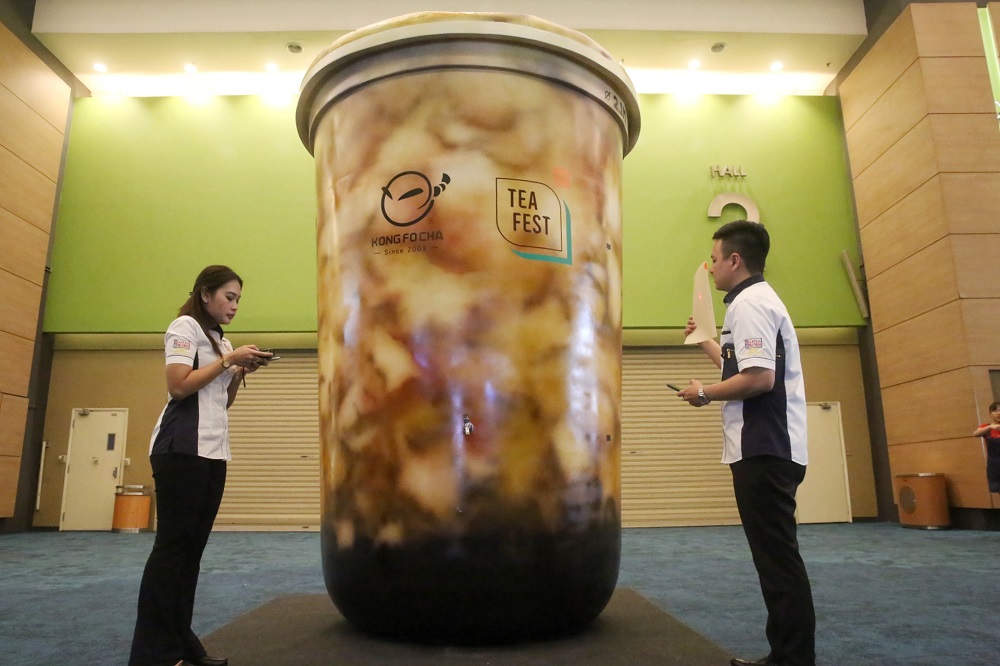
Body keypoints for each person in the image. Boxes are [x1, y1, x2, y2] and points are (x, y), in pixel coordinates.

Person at [676, 220, 815, 666]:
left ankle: (793, 659)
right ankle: (786, 655)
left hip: (766, 448)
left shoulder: (751, 304)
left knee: (777, 563)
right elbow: (742, 367)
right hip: (766, 448)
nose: (711, 268)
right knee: (774, 561)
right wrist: (707, 344)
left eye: (715, 259)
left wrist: (703, 393)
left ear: (735, 260)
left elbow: (758, 379)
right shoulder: (751, 302)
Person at [129, 265, 273, 666]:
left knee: (192, 552)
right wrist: (227, 363)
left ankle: (181, 645)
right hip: (179, 449)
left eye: (239, 300)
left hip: (212, 451)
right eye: (229, 297)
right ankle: (153, 655)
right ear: (205, 294)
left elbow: (222, 402)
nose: (235, 306)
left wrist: (238, 370)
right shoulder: (185, 327)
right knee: (173, 551)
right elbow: (177, 386)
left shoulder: (221, 341)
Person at [973, 401, 1000, 493]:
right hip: (995, 465)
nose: (999, 413)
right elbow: (975, 434)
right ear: (990, 414)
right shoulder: (987, 427)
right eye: (995, 410)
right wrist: (990, 427)